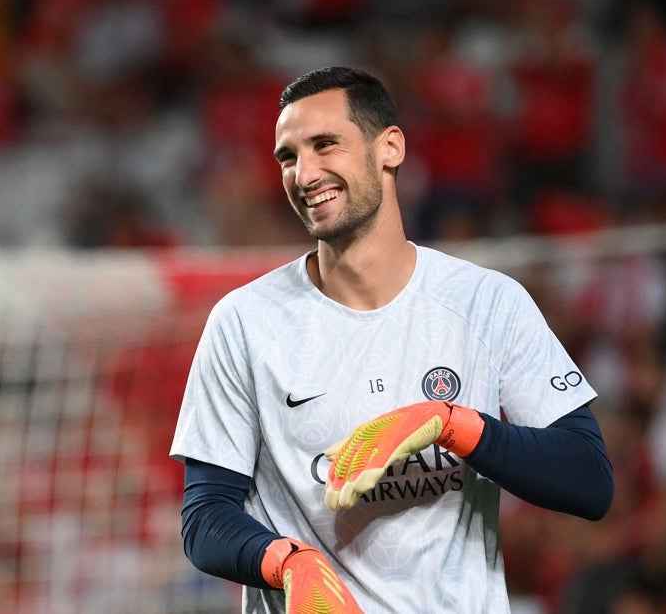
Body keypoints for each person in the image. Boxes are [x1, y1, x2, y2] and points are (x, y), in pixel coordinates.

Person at [169, 66, 614, 613]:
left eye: (325, 145)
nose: (304, 174)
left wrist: (455, 425)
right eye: (289, 156)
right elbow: (205, 515)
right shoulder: (243, 322)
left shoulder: (487, 302)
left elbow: (589, 480)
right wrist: (287, 562)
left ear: (390, 148)